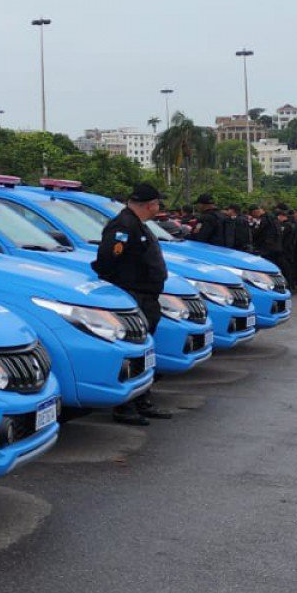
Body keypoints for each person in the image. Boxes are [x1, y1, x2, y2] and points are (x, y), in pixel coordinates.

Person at [90, 181, 173, 425]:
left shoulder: (137, 224)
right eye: (157, 203)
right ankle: (125, 406)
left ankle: (141, 399)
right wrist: (122, 291)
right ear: (150, 205)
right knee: (132, 353)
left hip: (145, 297)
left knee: (144, 352)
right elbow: (107, 261)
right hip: (133, 296)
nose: (159, 207)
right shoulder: (123, 225)